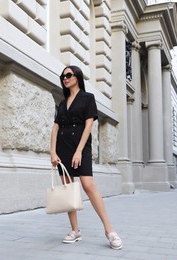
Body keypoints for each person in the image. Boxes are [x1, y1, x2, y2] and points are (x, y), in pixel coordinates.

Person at [50, 65, 123, 250]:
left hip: (80, 147)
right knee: (69, 189)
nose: (65, 78)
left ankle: (109, 230)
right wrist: (52, 151)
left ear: (77, 77)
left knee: (88, 185)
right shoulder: (62, 102)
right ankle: (75, 230)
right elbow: (56, 127)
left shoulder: (88, 98)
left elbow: (89, 126)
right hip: (63, 147)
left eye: (68, 75)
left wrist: (79, 151)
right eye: (63, 76)